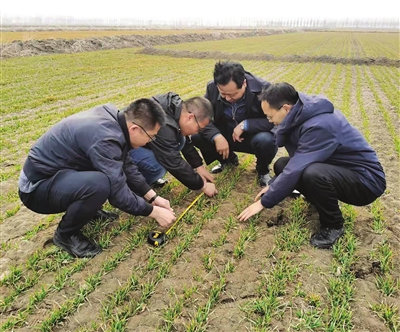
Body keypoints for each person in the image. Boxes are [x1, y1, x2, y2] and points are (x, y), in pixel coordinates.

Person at [18, 99, 176, 258]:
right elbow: (118, 194)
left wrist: (152, 196)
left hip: (61, 175)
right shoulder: (105, 136)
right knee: (100, 184)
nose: (150, 141)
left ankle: (89, 210)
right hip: (35, 188)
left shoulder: (115, 121)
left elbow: (126, 166)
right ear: (135, 129)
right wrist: (154, 212)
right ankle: (65, 235)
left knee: (104, 173)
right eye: (151, 136)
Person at [238, 82, 386, 249]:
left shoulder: (320, 125)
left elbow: (298, 166)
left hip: (366, 180)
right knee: (281, 165)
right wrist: (273, 186)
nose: (269, 121)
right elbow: (296, 161)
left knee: (312, 173)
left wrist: (264, 202)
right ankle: (319, 200)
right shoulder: (298, 115)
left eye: (270, 116)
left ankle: (333, 225)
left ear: (286, 108)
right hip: (338, 169)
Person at [191, 61, 277, 186]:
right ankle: (228, 160)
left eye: (233, 94)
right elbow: (203, 117)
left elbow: (275, 121)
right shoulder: (212, 88)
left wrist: (246, 124)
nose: (227, 98)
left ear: (244, 83)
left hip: (253, 137)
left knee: (266, 140)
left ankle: (263, 170)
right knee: (197, 136)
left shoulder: (264, 90)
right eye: (223, 94)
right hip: (226, 134)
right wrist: (216, 136)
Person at [130, 93, 218, 197]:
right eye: (198, 128)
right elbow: (172, 161)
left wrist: (198, 166)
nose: (196, 133)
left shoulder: (175, 109)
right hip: (126, 150)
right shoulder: (164, 124)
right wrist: (202, 185)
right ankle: (136, 187)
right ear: (190, 117)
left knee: (180, 140)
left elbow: (183, 141)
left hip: (142, 144)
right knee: (157, 165)